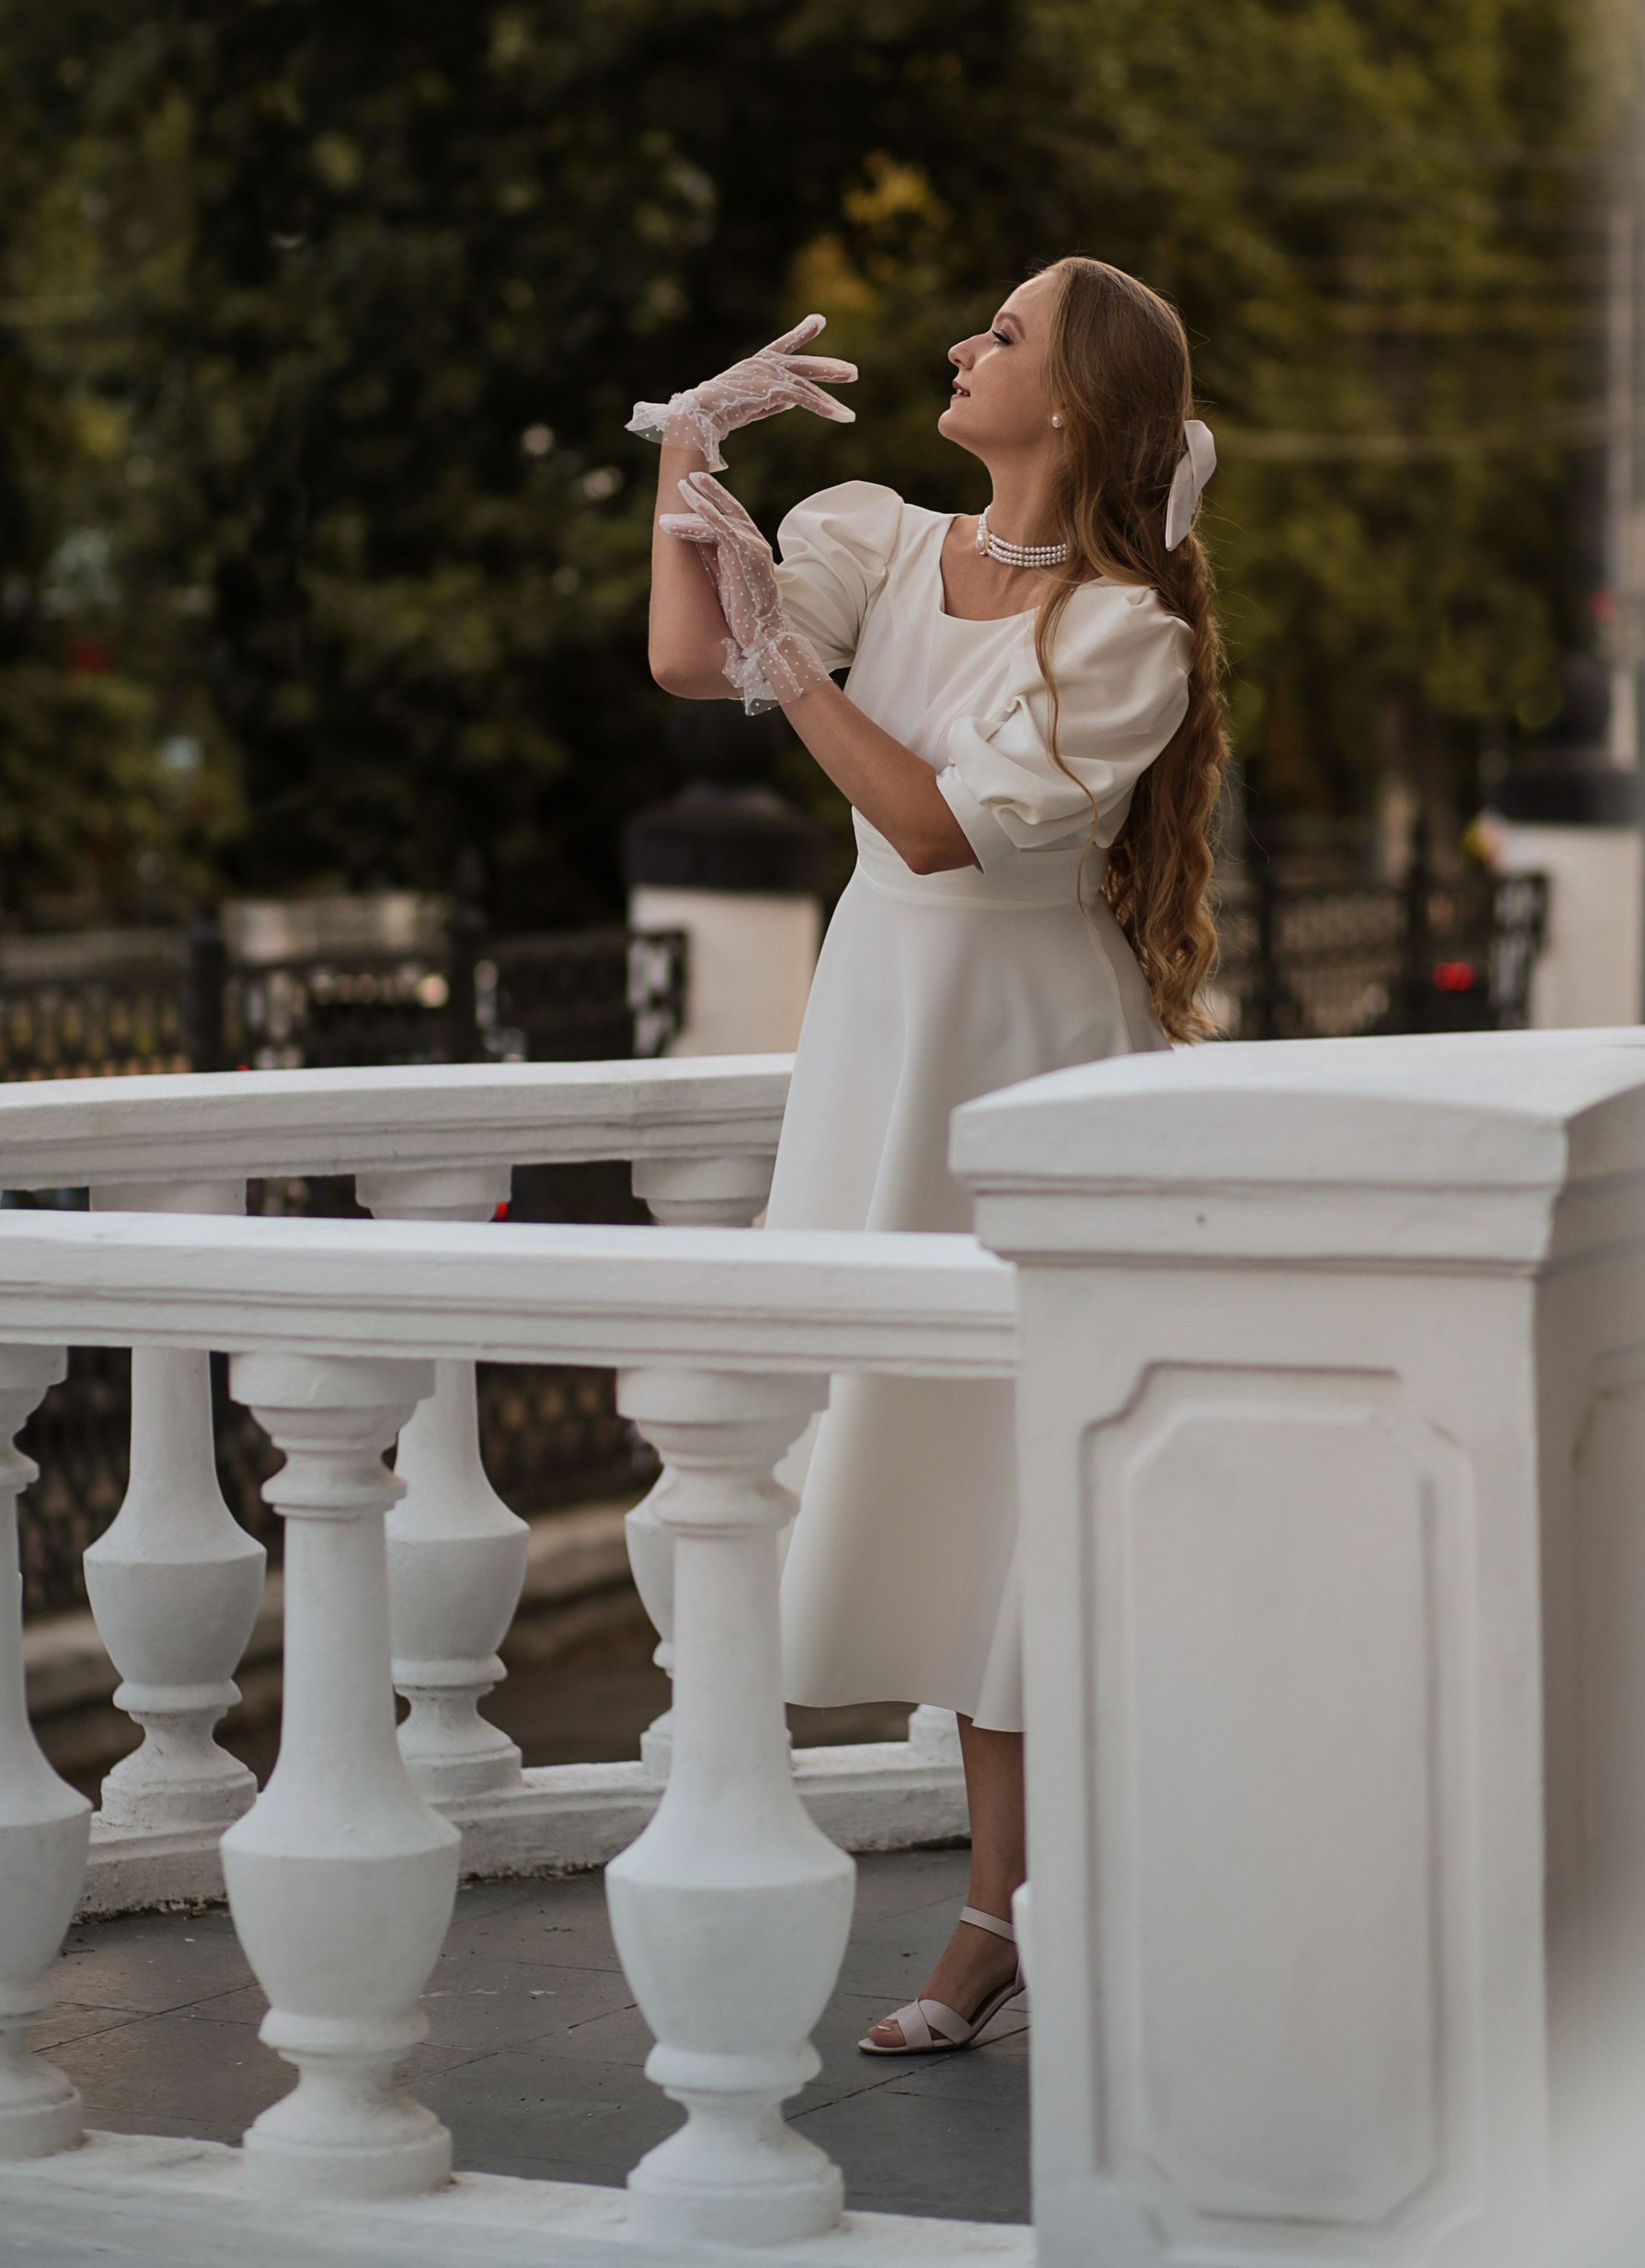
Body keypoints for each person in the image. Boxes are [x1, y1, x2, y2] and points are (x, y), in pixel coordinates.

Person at [635, 254, 1227, 2054]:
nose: (963, 347)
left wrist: (788, 664)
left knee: (1018, 1475)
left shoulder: (1127, 637)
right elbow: (686, 658)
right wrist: (683, 458)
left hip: (1026, 1064)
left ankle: (999, 1916)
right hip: (880, 1040)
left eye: (1004, 333)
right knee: (910, 1448)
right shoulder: (879, 536)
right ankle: (1018, 1901)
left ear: (1076, 401)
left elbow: (931, 827)